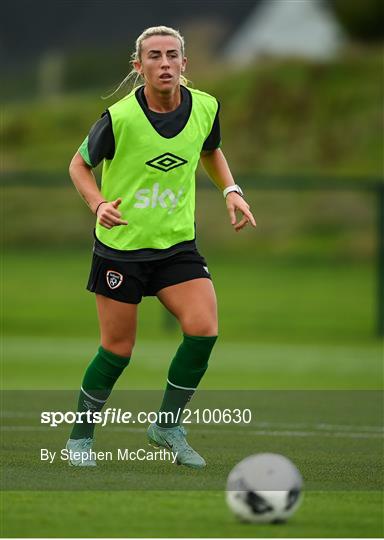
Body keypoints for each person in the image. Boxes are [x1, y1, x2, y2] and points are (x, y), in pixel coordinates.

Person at [67, 26, 256, 469]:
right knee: (117, 350)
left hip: (176, 247)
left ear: (184, 64)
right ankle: (80, 438)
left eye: (172, 55)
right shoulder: (120, 118)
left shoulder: (206, 107)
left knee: (204, 328)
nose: (165, 63)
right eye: (154, 56)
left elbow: (211, 149)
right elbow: (78, 165)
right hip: (121, 249)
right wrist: (97, 204)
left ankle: (167, 425)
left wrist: (231, 190)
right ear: (139, 67)